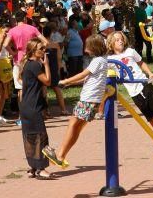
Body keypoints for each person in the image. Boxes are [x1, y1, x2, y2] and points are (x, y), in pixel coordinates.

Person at [42, 35, 108, 168]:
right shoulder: (102, 60)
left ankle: (59, 155)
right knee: (76, 128)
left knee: (73, 125)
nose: (85, 47)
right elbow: (88, 78)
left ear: (93, 47)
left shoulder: (97, 61)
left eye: (87, 45)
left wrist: (66, 80)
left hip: (88, 100)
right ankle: (62, 154)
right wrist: (72, 84)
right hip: (92, 101)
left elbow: (84, 74)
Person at [107, 31, 153, 150]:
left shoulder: (130, 51)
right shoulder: (110, 59)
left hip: (143, 85)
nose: (120, 41)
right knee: (150, 117)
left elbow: (141, 63)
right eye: (117, 40)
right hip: (133, 92)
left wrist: (150, 73)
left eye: (121, 39)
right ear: (111, 43)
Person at [19, 39, 53, 179]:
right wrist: (47, 65)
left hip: (26, 106)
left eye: (44, 48)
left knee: (30, 137)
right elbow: (48, 81)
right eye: (41, 48)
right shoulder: (34, 65)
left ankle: (32, 167)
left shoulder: (27, 64)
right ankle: (41, 168)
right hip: (32, 107)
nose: (44, 51)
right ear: (33, 50)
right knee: (41, 137)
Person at [5, 10, 47, 125]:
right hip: (33, 59)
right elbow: (45, 42)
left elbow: (5, 44)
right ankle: (40, 112)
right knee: (37, 87)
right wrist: (39, 51)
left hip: (19, 60)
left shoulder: (13, 31)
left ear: (15, 19)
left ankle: (21, 116)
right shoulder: (32, 29)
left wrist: (13, 52)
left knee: (20, 89)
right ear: (24, 18)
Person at [42, 25, 68, 116]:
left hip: (43, 68)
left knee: (44, 89)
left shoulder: (41, 44)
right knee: (57, 89)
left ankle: (46, 111)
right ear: (51, 33)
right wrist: (59, 70)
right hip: (53, 68)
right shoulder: (55, 44)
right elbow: (59, 58)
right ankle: (63, 109)